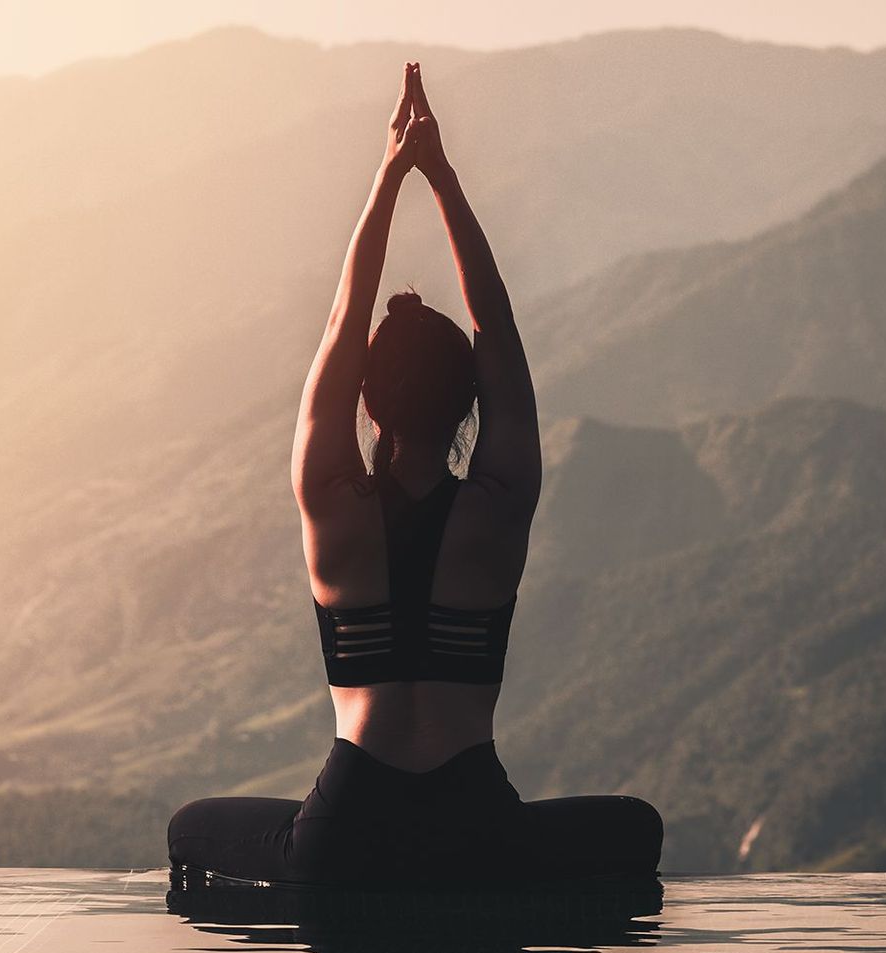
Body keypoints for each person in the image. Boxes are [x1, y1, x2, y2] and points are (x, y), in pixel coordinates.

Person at [166, 63, 662, 890]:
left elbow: (340, 323)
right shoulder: (499, 503)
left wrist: (388, 176)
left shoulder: (331, 503)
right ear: (469, 398)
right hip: (479, 831)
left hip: (345, 832)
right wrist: (443, 177)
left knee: (191, 829)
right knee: (636, 829)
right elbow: (495, 321)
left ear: (368, 400)